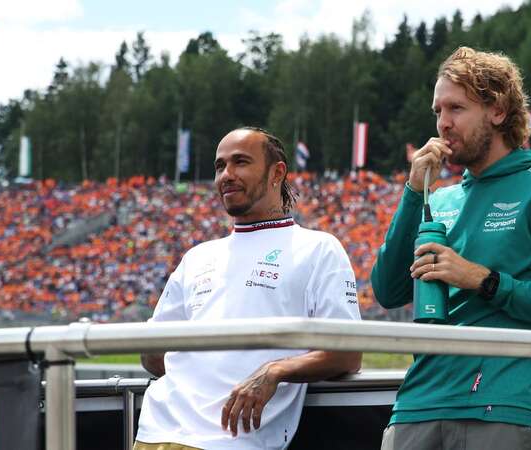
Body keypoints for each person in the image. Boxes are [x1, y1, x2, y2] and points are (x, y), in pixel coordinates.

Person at [371, 47, 531, 450]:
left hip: (505, 407)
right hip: (417, 406)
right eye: (437, 111)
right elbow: (388, 291)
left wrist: (483, 280)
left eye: (456, 108)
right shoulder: (438, 199)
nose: (443, 124)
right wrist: (412, 192)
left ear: (497, 110)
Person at [134, 127, 362, 450]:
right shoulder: (197, 256)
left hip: (233, 442)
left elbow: (347, 353)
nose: (226, 175)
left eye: (240, 162)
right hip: (154, 435)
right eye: (220, 166)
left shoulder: (318, 249)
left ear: (277, 172)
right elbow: (153, 353)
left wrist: (274, 371)